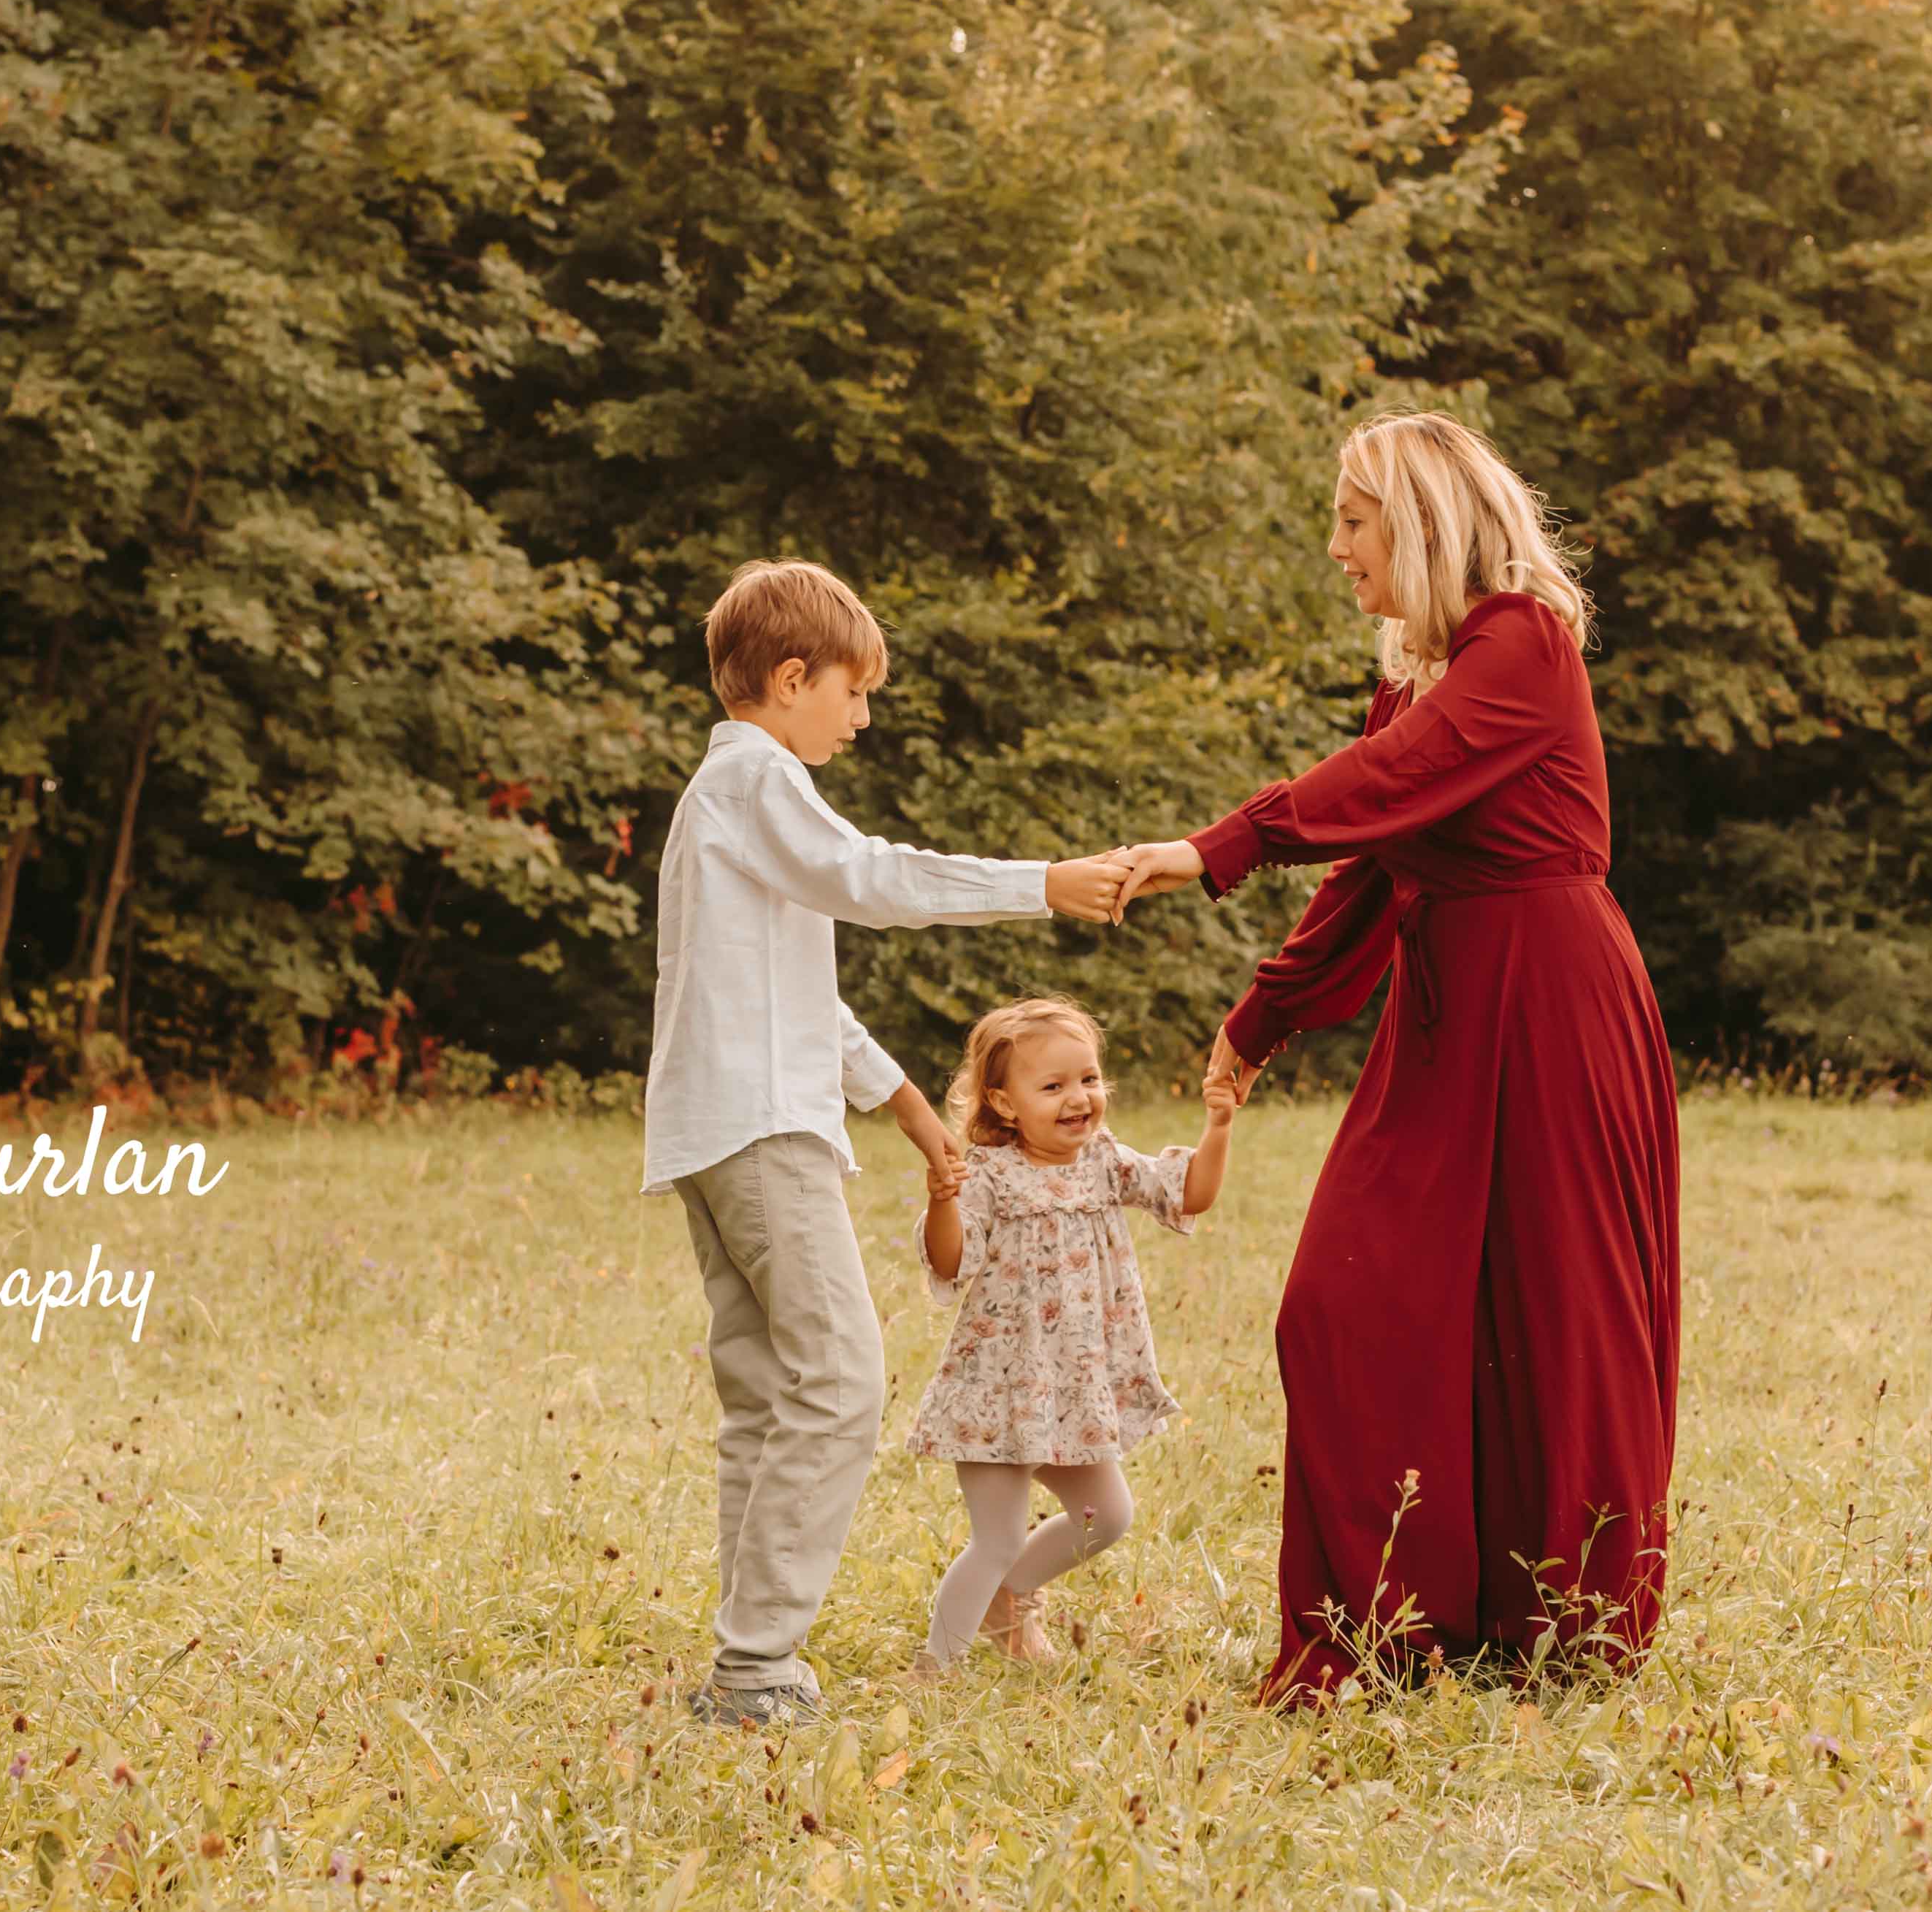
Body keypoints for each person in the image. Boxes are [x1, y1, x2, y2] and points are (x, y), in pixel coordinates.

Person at [1119, 411, 1682, 1705]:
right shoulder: (1420, 678)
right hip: (1446, 1012)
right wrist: (1262, 1017)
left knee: (1555, 1312)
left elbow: (1388, 781)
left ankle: (1565, 1624)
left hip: (1554, 1004)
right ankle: (1385, 1626)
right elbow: (1378, 860)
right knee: (1345, 1302)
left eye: (1352, 520)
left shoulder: (1523, 643)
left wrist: (1222, 843)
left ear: (1420, 522)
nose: (1337, 547)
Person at [645, 559, 1136, 1729]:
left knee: (768, 1391)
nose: (862, 717)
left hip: (716, 1125)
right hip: (761, 1129)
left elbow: (789, 989)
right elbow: (870, 876)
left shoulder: (724, 798)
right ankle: (756, 1665)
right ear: (791, 677)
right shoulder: (759, 776)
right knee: (840, 1379)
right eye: (853, 691)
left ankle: (748, 1653)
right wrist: (1041, 883)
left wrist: (911, 1105)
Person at [901, 996, 1241, 1675]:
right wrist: (942, 1199)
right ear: (1004, 1102)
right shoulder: (990, 1174)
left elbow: (1190, 1194)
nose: (1079, 1097)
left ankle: (1010, 1596)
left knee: (1106, 1515)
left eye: (1088, 1078)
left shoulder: (1103, 1161)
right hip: (1001, 1390)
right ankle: (934, 1671)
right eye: (1053, 1086)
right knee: (996, 1538)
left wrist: (1219, 1123)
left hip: (1073, 1391)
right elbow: (949, 1259)